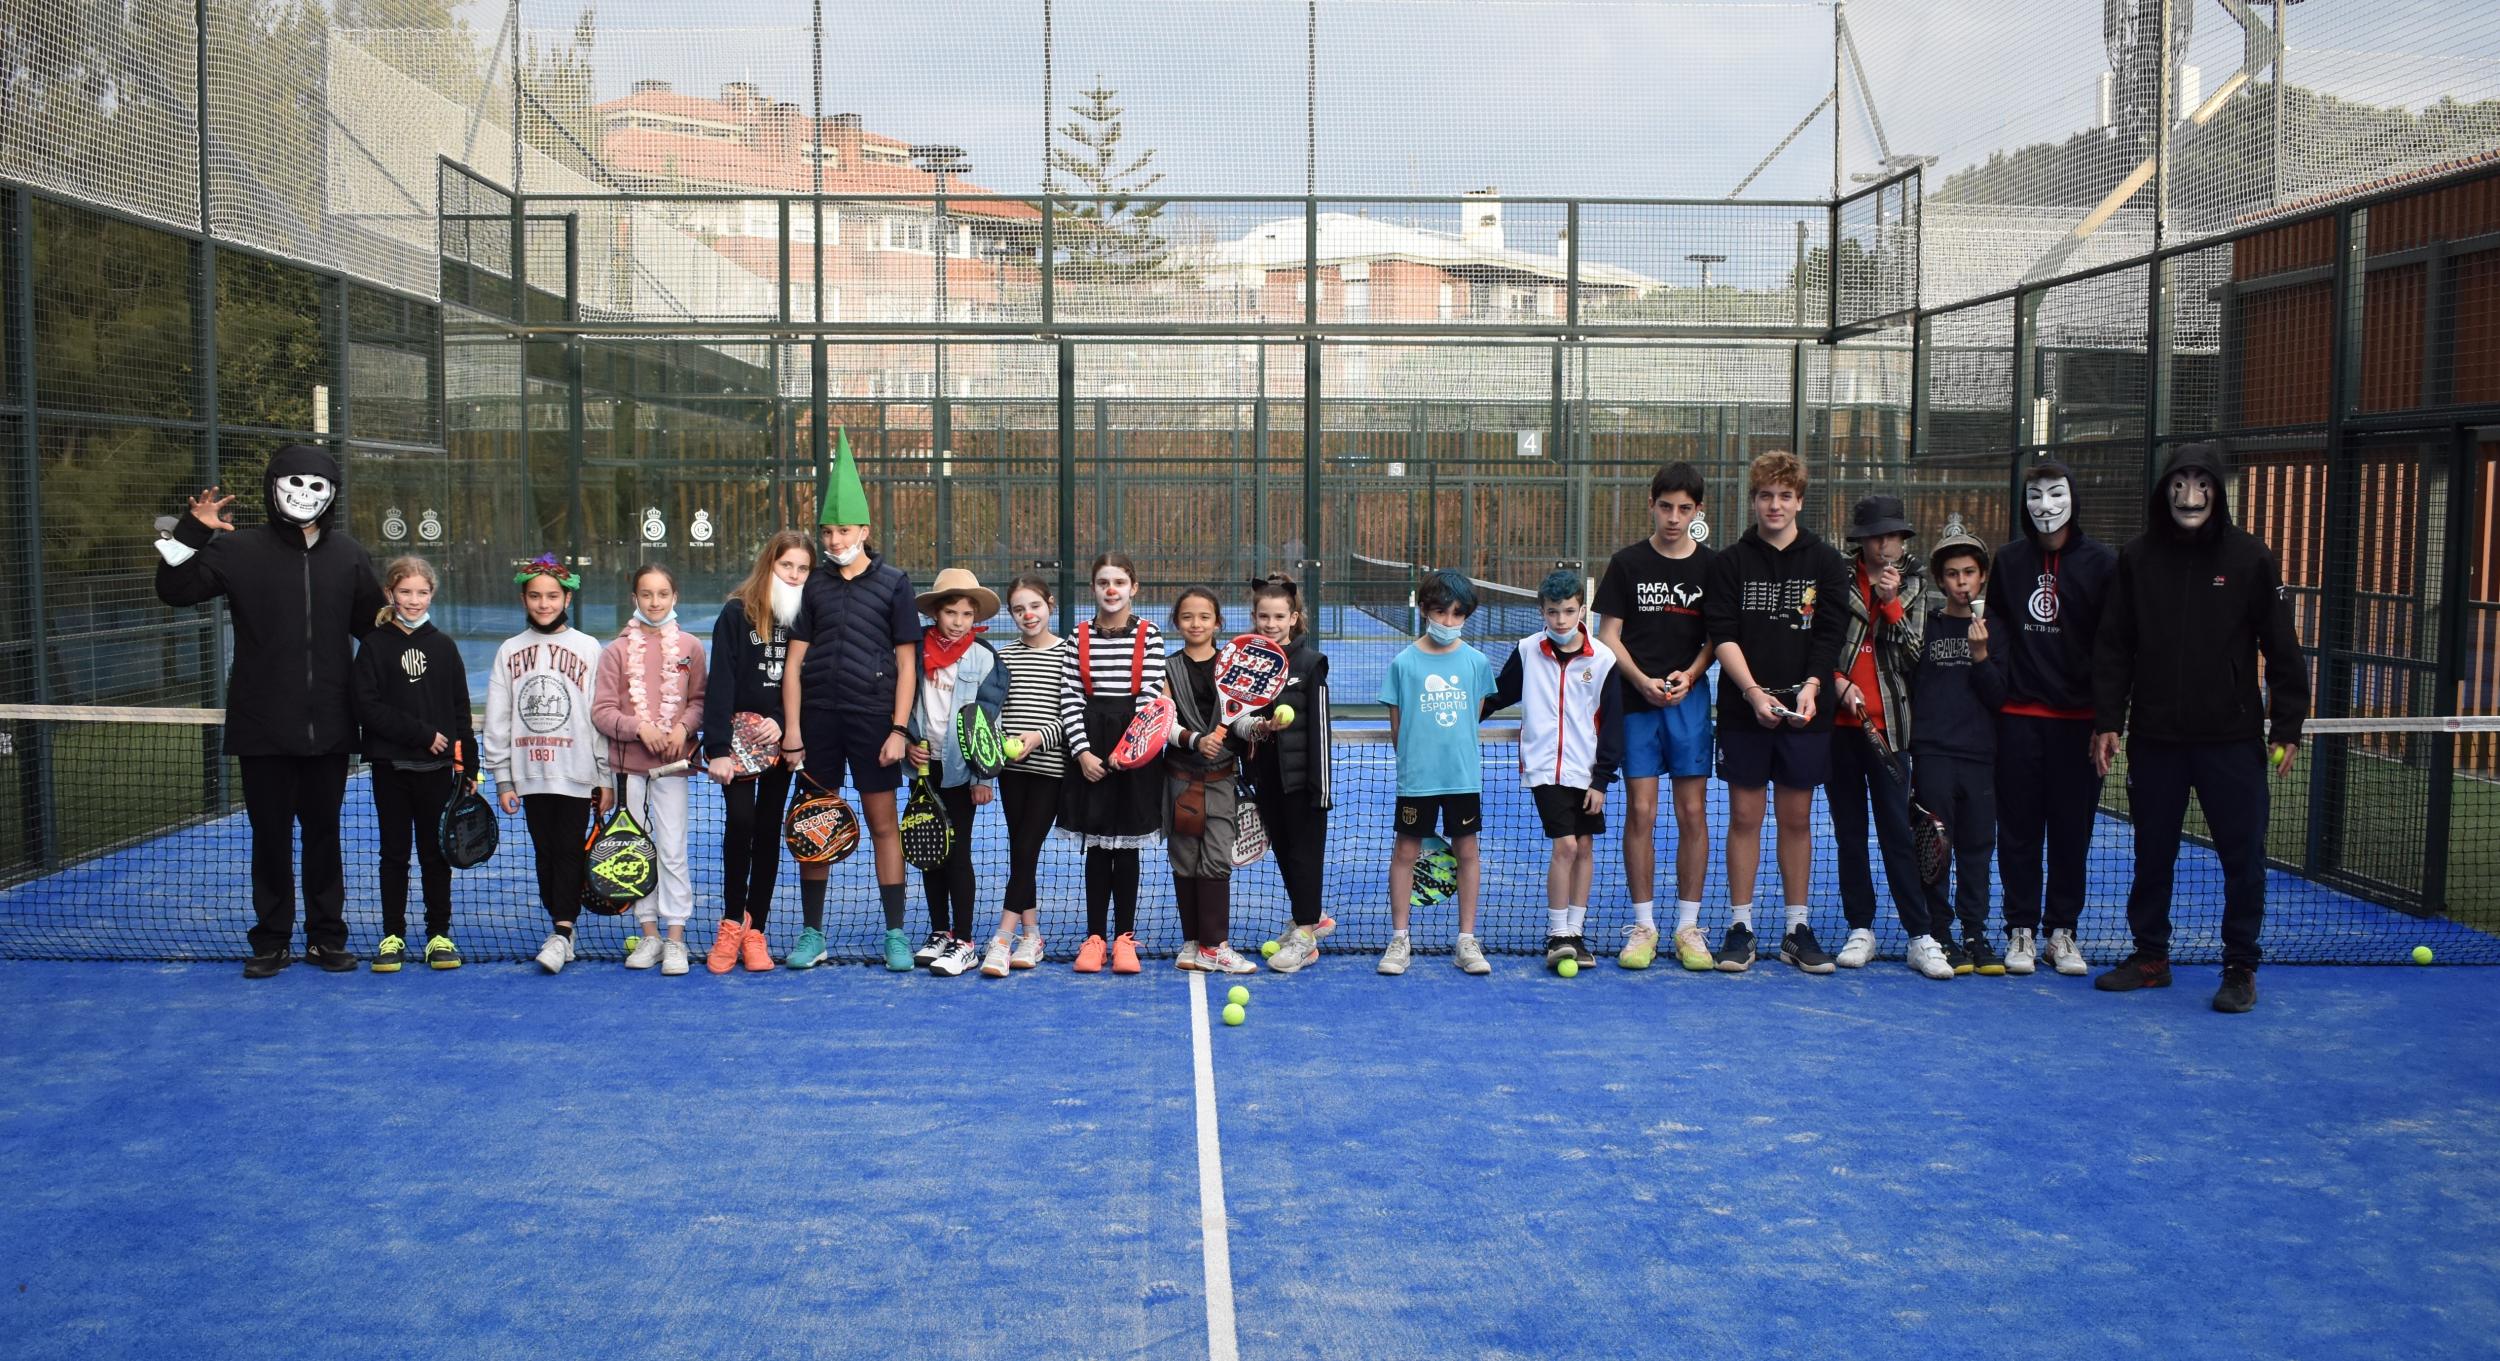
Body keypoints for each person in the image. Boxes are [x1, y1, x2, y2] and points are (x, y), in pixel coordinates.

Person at [2092, 441, 2308, 1013]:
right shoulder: (2136, 558)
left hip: (2232, 742)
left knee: (2244, 858)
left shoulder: (2250, 558)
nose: (2191, 495)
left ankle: (2240, 967)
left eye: (2203, 483)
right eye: (2180, 483)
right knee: (2151, 854)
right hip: (2157, 739)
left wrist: (2287, 726)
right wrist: (2108, 721)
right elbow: (2115, 647)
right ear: (2165, 490)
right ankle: (2150, 959)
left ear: (2217, 491)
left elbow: (2281, 650)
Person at [154, 445, 385, 977]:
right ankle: (271, 941)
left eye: (317, 486)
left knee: (324, 835)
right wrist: (192, 530)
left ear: (331, 495)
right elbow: (175, 590)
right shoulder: (236, 550)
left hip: (330, 726)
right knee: (270, 837)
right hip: (261, 726)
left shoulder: (348, 554)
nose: (304, 494)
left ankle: (327, 939)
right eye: (294, 482)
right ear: (273, 486)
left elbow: (372, 631)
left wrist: (418, 660)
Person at [1702, 450, 1850, 975]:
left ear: (1800, 501)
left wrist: (1810, 687)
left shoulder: (1827, 563)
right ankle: (1741, 926)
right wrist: (1751, 693)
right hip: (1747, 710)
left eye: (1785, 496)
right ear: (1754, 500)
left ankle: (1795, 928)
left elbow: (1829, 635)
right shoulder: (1729, 563)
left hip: (1807, 711)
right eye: (1766, 495)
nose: (1775, 505)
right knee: (1744, 817)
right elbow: (1723, 635)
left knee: (1795, 818)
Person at [782, 429, 922, 973]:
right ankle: (812, 933)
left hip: (873, 724)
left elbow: (908, 663)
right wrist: (793, 730)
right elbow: (795, 663)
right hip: (817, 724)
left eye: (844, 529)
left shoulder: (894, 583)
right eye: (828, 530)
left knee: (883, 823)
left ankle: (895, 934)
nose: (835, 538)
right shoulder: (810, 587)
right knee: (814, 820)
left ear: (865, 529)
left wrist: (898, 729)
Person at [1988, 459, 2117, 977]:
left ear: (2072, 497)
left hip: (2079, 727)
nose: (2045, 506)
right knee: (2017, 830)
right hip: (2018, 721)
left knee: (2071, 833)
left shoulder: (2103, 564)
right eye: (2035, 496)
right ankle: (2020, 929)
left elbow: (2113, 648)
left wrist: (2106, 720)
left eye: (2054, 494)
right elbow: (1996, 636)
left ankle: (2061, 932)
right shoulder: (2010, 561)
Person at [1595, 462, 1717, 971]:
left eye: (1684, 508)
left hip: (1688, 703)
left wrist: (1689, 675)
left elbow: (1716, 639)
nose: (1673, 517)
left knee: (1692, 814)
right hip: (1637, 705)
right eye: (1665, 506)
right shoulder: (1627, 564)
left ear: (1698, 511)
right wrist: (1641, 680)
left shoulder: (1713, 567)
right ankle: (1643, 925)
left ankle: (1688, 927)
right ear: (1652, 503)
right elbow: (1608, 635)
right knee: (1641, 812)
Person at [1826, 494, 1953, 979]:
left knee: (1897, 833)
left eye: (1893, 536)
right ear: (1862, 541)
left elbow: (1915, 656)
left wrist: (1891, 604)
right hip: (1839, 730)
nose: (1886, 545)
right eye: (1877, 537)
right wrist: (1837, 682)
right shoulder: (1835, 579)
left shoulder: (1916, 585)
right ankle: (1861, 928)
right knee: (1849, 833)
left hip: (1891, 730)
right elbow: (1820, 644)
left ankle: (1920, 935)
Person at [1484, 569, 1625, 972]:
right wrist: (1461, 718)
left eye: (1568, 611)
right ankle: (1558, 932)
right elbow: (1500, 693)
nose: (1560, 620)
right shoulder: (1528, 650)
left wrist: (1601, 780)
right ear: (1541, 612)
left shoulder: (1603, 659)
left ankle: (1576, 932)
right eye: (1552, 612)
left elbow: (1613, 725)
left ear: (1582, 609)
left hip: (1587, 772)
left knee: (1584, 847)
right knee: (1565, 846)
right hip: (1544, 769)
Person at [481, 553, 611, 975]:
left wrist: (605, 775)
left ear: (566, 597)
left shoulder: (588, 648)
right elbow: (498, 718)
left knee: (570, 849)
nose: (543, 603)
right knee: (545, 853)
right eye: (535, 596)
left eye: (552, 596)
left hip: (576, 771)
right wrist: (502, 777)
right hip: (529, 773)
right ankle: (561, 927)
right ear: (523, 598)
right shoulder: (509, 650)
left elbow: (598, 714)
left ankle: (562, 932)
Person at [351, 556, 475, 973]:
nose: (414, 600)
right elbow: (366, 706)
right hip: (390, 769)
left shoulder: (444, 647)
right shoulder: (373, 645)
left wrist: (468, 768)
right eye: (405, 592)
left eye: (422, 592)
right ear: (390, 594)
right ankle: (392, 936)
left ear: (432, 595)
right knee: (394, 854)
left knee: (434, 855)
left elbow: (460, 712)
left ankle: (439, 934)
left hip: (438, 774)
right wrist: (421, 735)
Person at [1377, 569, 1500, 977]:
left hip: (1463, 778)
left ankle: (1466, 939)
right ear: (1424, 610)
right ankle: (1399, 938)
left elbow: (1472, 717)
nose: (1447, 622)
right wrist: (1419, 763)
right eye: (1440, 612)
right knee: (1406, 853)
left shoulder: (1477, 663)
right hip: (1417, 781)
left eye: (1456, 614)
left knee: (1468, 853)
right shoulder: (1403, 663)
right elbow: (1399, 728)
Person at [701, 530, 812, 975]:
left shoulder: (807, 617)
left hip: (781, 745)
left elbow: (810, 681)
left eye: (803, 568)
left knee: (768, 830)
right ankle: (731, 921)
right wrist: (717, 749)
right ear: (770, 564)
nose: (795, 574)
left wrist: (785, 726)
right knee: (741, 823)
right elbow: (721, 682)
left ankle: (755, 930)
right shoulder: (735, 614)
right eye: (788, 565)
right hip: (738, 747)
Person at [592, 563, 708, 976]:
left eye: (662, 594)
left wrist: (681, 728)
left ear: (674, 597)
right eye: (647, 594)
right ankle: (649, 934)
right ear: (634, 599)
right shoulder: (616, 652)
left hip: (673, 769)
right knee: (633, 850)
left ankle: (675, 937)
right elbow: (602, 713)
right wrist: (639, 728)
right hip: (629, 771)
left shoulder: (691, 647)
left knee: (673, 850)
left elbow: (699, 702)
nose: (655, 602)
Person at [1057, 553, 1168, 975]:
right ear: (1094, 588)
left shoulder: (1151, 635)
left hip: (1133, 749)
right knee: (1098, 847)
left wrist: (1130, 750)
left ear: (1133, 588)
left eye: (1119, 581)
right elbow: (1070, 697)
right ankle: (1094, 938)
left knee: (1127, 849)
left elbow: (1150, 697)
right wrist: (1083, 753)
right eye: (1103, 581)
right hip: (1090, 746)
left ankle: (1124, 938)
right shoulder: (1077, 637)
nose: (1111, 589)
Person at [1911, 520, 2010, 975]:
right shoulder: (1924, 628)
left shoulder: (1995, 631)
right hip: (1932, 755)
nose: (1961, 581)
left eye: (1969, 572)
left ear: (1983, 575)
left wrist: (1982, 656)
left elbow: (1999, 697)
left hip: (1980, 758)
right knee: (1934, 846)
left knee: (1976, 849)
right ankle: (1939, 932)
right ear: (1940, 580)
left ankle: (1975, 932)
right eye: (1952, 574)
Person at [904, 569, 1009, 978]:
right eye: (951, 612)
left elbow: (989, 723)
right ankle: (939, 932)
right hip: (922, 770)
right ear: (935, 612)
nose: (959, 620)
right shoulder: (912, 651)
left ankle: (964, 941)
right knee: (929, 852)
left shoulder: (985, 659)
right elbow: (905, 705)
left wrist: (984, 778)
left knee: (958, 852)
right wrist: (908, 744)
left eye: (967, 613)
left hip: (962, 773)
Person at [1162, 587, 1259, 975]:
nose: (1196, 623)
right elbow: (1164, 721)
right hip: (1179, 780)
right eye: (1187, 617)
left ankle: (1214, 945)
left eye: (1204, 616)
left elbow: (1244, 719)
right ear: (1177, 623)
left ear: (1218, 622)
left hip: (1221, 781)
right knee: (1184, 858)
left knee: (1216, 859)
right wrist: (1192, 740)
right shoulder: (1165, 668)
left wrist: (1261, 727)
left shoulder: (1234, 668)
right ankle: (1192, 942)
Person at [1244, 575, 1336, 975]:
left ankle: (1304, 936)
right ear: (1254, 617)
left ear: (1293, 617)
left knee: (1304, 856)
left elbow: (1320, 728)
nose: (1270, 623)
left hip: (1304, 784)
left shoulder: (1309, 663)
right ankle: (1309, 919)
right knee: (1283, 852)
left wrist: (1322, 789)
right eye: (1263, 616)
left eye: (1279, 616)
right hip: (1266, 780)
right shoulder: (1248, 662)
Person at [983, 574, 1068, 977]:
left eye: (1034, 605)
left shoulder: (1069, 655)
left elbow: (1073, 717)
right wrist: (1000, 743)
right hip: (1011, 772)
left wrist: (1038, 737)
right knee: (1021, 851)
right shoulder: (1005, 657)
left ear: (1049, 604)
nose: (1027, 615)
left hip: (1051, 772)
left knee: (1027, 848)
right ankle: (1032, 935)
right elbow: (994, 713)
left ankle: (1002, 936)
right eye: (1018, 609)